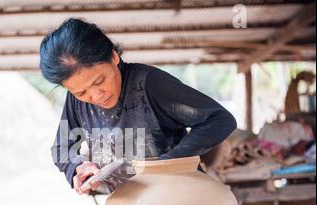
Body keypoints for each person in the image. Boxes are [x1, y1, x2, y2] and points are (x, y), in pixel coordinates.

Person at [39, 18, 237, 195]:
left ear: (113, 57)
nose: (96, 95)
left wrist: (165, 163)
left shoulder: (150, 84)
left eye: (100, 81)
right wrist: (77, 167)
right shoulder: (76, 102)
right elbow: (62, 147)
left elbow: (219, 120)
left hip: (179, 201)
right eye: (81, 92)